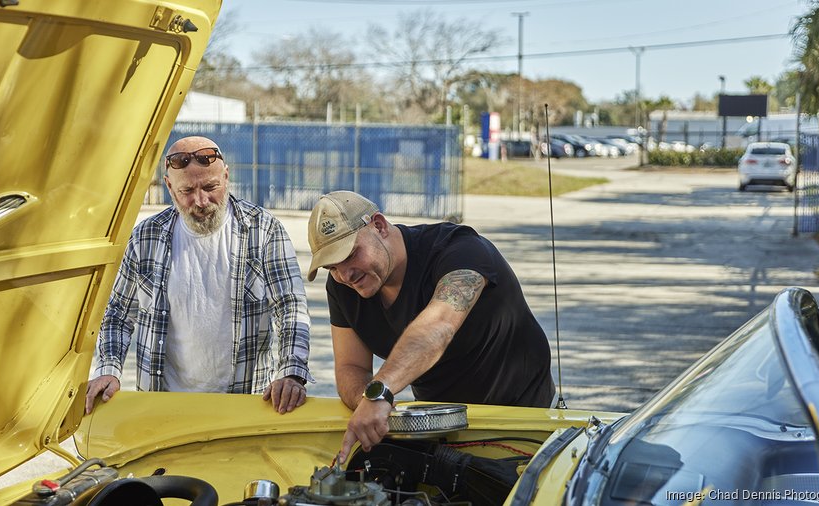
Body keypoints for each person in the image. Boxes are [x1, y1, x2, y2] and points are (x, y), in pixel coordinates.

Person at [306, 191, 555, 462]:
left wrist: (379, 393)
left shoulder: (461, 251)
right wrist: (368, 404)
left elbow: (437, 328)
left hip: (521, 421)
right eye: (332, 267)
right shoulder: (344, 287)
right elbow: (350, 367)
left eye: (352, 254)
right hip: (440, 427)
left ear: (379, 225)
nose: (345, 274)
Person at [86, 136, 313, 415]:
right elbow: (118, 313)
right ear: (169, 186)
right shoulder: (146, 237)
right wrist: (109, 369)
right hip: (164, 405)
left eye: (210, 187)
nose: (201, 201)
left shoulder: (264, 231)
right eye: (187, 191)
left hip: (244, 404)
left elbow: (291, 307)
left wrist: (291, 372)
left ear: (226, 176)